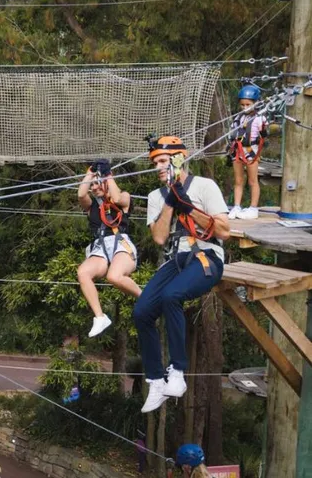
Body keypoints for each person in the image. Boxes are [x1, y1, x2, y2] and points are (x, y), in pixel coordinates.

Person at [135, 136, 230, 413]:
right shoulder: (156, 196)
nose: (158, 167)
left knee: (172, 296)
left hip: (206, 256)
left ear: (179, 160)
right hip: (175, 259)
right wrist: (169, 201)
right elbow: (160, 238)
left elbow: (224, 231)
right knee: (142, 311)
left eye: (163, 161)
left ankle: (178, 371)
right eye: (155, 163)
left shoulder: (204, 186)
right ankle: (155, 380)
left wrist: (188, 206)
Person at [77, 159, 142, 337]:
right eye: (93, 186)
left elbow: (116, 197)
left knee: (114, 276)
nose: (95, 188)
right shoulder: (91, 207)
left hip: (120, 243)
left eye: (98, 185)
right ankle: (100, 316)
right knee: (83, 272)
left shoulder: (123, 198)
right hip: (100, 247)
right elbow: (81, 194)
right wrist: (90, 173)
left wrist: (108, 176)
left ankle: (144, 298)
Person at [227, 85, 267, 220]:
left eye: (248, 104)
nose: (245, 107)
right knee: (238, 180)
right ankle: (237, 206)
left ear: (255, 103)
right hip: (238, 151)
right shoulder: (238, 118)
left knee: (252, 180)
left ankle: (253, 208)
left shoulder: (259, 118)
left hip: (251, 152)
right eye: (242, 105)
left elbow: (264, 135)